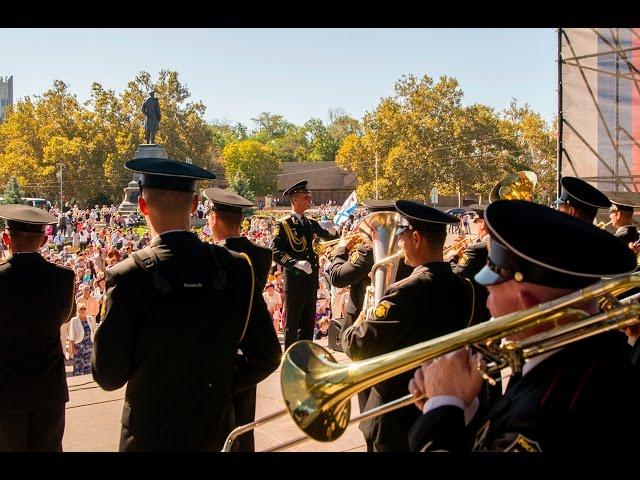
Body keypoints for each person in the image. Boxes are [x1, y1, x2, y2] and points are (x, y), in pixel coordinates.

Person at [408, 199, 640, 452]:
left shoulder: (548, 411)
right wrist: (461, 407)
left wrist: (440, 408)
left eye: (492, 288)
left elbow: (523, 423)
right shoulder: (581, 351)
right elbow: (500, 432)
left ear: (526, 302)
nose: (488, 302)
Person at [91, 157, 281, 451]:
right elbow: (267, 355)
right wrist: (215, 382)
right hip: (214, 430)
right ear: (195, 205)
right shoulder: (236, 268)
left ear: (142, 206)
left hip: (149, 435)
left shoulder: (127, 276)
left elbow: (108, 375)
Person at [341, 200, 475, 452]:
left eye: (401, 237)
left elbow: (358, 346)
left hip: (394, 416)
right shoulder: (464, 287)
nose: (399, 245)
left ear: (415, 238)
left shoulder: (405, 291)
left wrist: (360, 318)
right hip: (439, 407)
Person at [202, 187, 274, 453]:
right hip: (250, 352)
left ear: (213, 218)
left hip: (219, 355)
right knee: (244, 428)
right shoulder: (260, 255)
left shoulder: (212, 258)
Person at [0, 204, 74, 451]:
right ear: (43, 241)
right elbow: (64, 317)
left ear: (6, 238)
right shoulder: (63, 277)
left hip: (5, 393)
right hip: (48, 390)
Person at [270, 180, 338, 350]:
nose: (310, 200)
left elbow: (330, 240)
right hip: (294, 282)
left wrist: (333, 230)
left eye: (309, 196)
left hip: (310, 281)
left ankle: (307, 356)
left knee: (308, 324)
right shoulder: (283, 224)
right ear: (294, 200)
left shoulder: (311, 223)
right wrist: (295, 263)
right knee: (292, 325)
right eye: (306, 197)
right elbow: (274, 251)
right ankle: (291, 359)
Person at [448, 204, 491, 325]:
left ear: (482, 223)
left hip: (477, 313)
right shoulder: (495, 245)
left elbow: (456, 275)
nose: (476, 226)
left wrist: (452, 257)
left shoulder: (475, 250)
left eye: (476, 222)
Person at [68, 302, 97, 376]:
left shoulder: (90, 319)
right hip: (79, 345)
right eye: (81, 309)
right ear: (78, 310)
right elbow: (71, 335)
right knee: (79, 363)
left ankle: (87, 378)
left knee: (88, 363)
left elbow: (94, 331)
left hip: (89, 344)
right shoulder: (74, 320)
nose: (83, 310)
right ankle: (78, 379)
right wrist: (73, 348)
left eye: (84, 308)